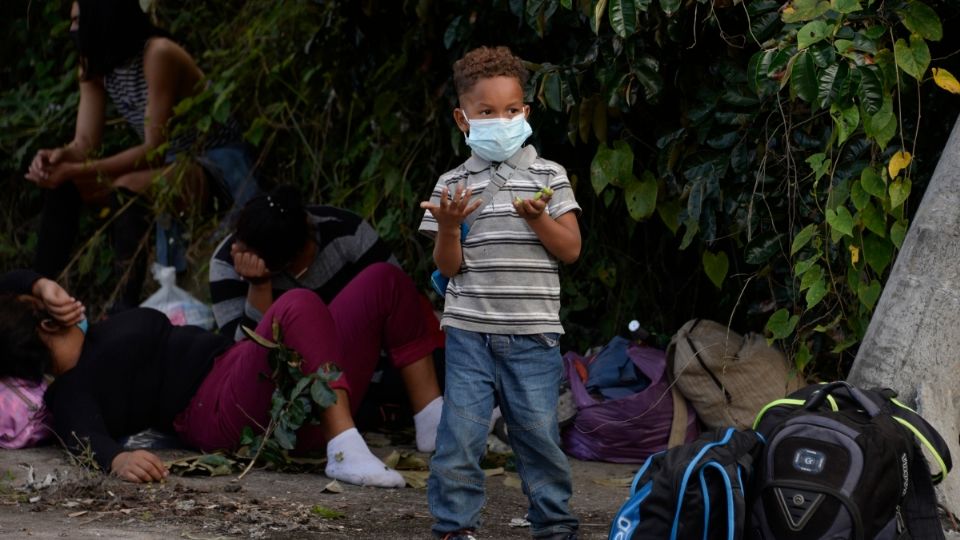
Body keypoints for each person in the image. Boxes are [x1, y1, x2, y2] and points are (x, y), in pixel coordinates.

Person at [0, 268, 437, 488]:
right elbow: (83, 433)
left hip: (247, 370)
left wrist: (39, 283)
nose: (66, 299)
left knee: (384, 281)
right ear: (44, 327)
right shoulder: (70, 389)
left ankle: (434, 425)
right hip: (218, 407)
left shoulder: (97, 336)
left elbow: (12, 279)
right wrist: (118, 460)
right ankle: (343, 450)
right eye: (47, 306)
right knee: (297, 305)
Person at [418, 46, 582, 540]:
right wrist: (448, 227)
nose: (501, 120)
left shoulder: (549, 176)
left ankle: (554, 525)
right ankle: (454, 527)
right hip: (469, 333)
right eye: (486, 112)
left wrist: (539, 222)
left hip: (533, 336)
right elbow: (448, 267)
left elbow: (571, 249)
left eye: (511, 111)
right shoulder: (452, 184)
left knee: (539, 439)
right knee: (459, 437)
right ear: (462, 119)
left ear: (526, 113)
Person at [24, 0, 258, 310]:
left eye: (78, 20)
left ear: (103, 17)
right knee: (62, 184)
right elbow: (84, 143)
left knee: (127, 187)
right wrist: (58, 157)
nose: (72, 30)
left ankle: (125, 307)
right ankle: (36, 294)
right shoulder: (93, 64)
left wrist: (76, 169)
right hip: (167, 163)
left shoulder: (158, 53)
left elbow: (153, 151)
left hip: (213, 164)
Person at [209, 185, 445, 453]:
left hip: (367, 363)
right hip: (292, 389)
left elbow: (400, 310)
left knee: (437, 362)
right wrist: (259, 285)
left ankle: (430, 420)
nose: (236, 249)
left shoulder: (344, 233)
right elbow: (241, 366)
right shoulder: (230, 261)